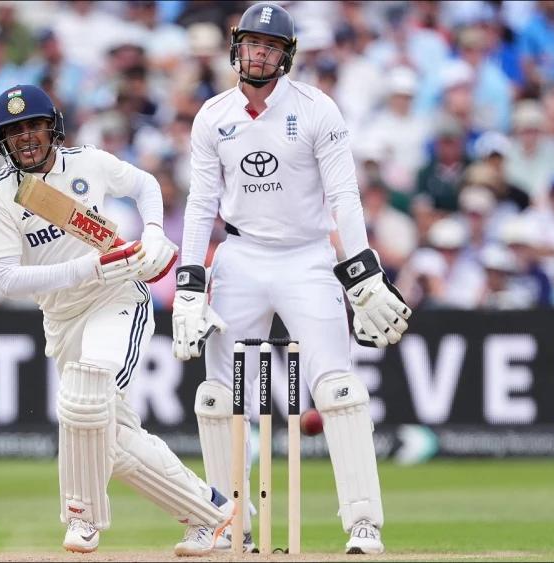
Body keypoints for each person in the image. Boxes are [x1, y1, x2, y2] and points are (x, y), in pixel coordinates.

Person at [172, 3, 413, 555]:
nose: (258, 53)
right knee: (217, 399)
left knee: (339, 390)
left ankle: (363, 524)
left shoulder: (316, 110)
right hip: (239, 256)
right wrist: (190, 281)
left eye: (270, 46)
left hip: (307, 257)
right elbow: (201, 200)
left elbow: (344, 196)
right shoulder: (213, 115)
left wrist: (362, 271)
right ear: (237, 48)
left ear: (286, 56)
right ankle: (231, 521)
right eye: (251, 44)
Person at [0, 84, 233, 556]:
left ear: (51, 127)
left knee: (85, 394)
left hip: (117, 296)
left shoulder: (88, 163)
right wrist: (87, 266)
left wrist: (154, 232)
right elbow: (8, 280)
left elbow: (145, 186)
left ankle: (82, 518)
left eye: (33, 125)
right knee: (108, 438)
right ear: (2, 141)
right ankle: (214, 515)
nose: (26, 138)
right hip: (62, 316)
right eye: (15, 132)